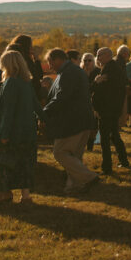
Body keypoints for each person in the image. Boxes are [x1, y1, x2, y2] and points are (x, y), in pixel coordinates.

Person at [0, 50, 42, 206]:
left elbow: (7, 111)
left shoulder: (10, 83)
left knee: (0, 162)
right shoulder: (26, 82)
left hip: (12, 130)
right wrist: (45, 119)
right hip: (28, 130)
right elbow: (36, 104)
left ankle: (4, 193)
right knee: (25, 162)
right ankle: (26, 196)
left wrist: (4, 133)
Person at [43, 48, 99, 194]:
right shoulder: (72, 71)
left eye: (50, 62)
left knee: (60, 152)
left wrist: (44, 113)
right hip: (82, 119)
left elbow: (62, 97)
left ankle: (88, 177)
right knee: (74, 156)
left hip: (73, 121)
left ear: (57, 60)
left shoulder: (68, 73)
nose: (49, 66)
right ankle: (73, 186)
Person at [91, 47, 130, 172]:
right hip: (113, 108)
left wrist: (96, 82)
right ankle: (123, 160)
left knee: (105, 138)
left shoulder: (110, 69)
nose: (98, 57)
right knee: (114, 135)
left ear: (108, 55)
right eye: (97, 55)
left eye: (100, 55)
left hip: (107, 109)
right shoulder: (112, 68)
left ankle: (107, 166)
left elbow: (103, 91)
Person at [8, 35, 44, 100]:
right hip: (28, 97)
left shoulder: (8, 59)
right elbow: (39, 75)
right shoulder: (26, 61)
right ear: (26, 46)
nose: (32, 47)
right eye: (31, 45)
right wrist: (37, 60)